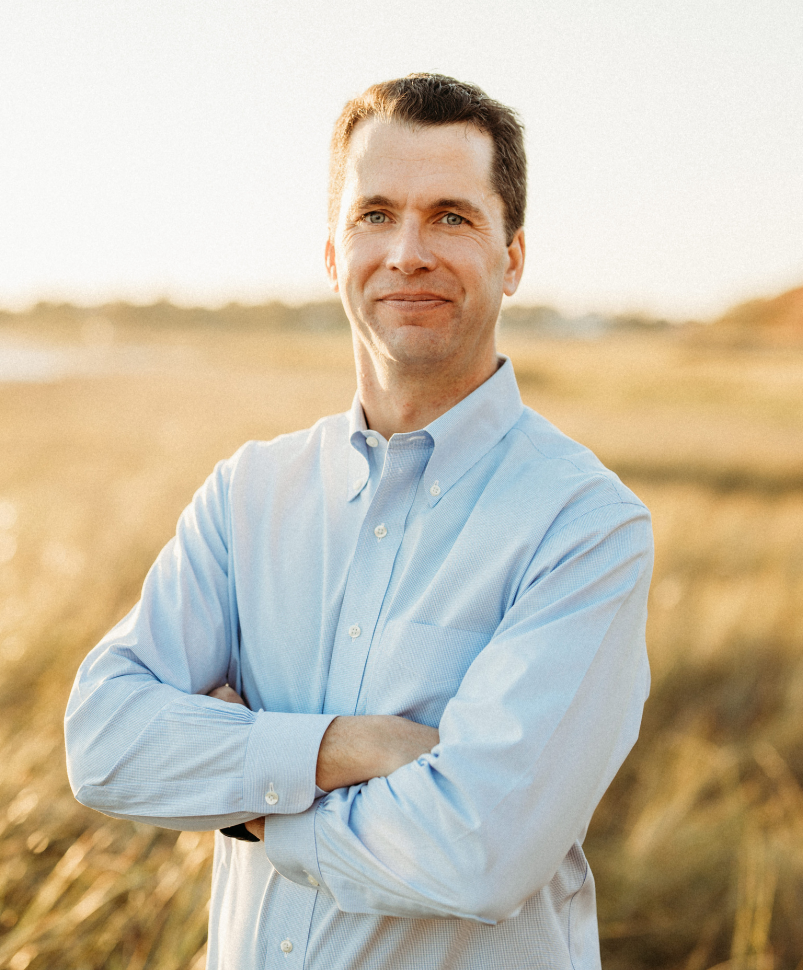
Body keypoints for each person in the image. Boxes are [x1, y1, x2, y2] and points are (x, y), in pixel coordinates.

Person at [65, 73, 653, 969]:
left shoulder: (585, 527)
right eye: (375, 213)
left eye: (451, 216)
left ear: (514, 256)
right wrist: (347, 747)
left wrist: (248, 794)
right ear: (334, 254)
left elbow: (479, 853)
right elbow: (105, 742)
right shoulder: (249, 493)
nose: (408, 251)